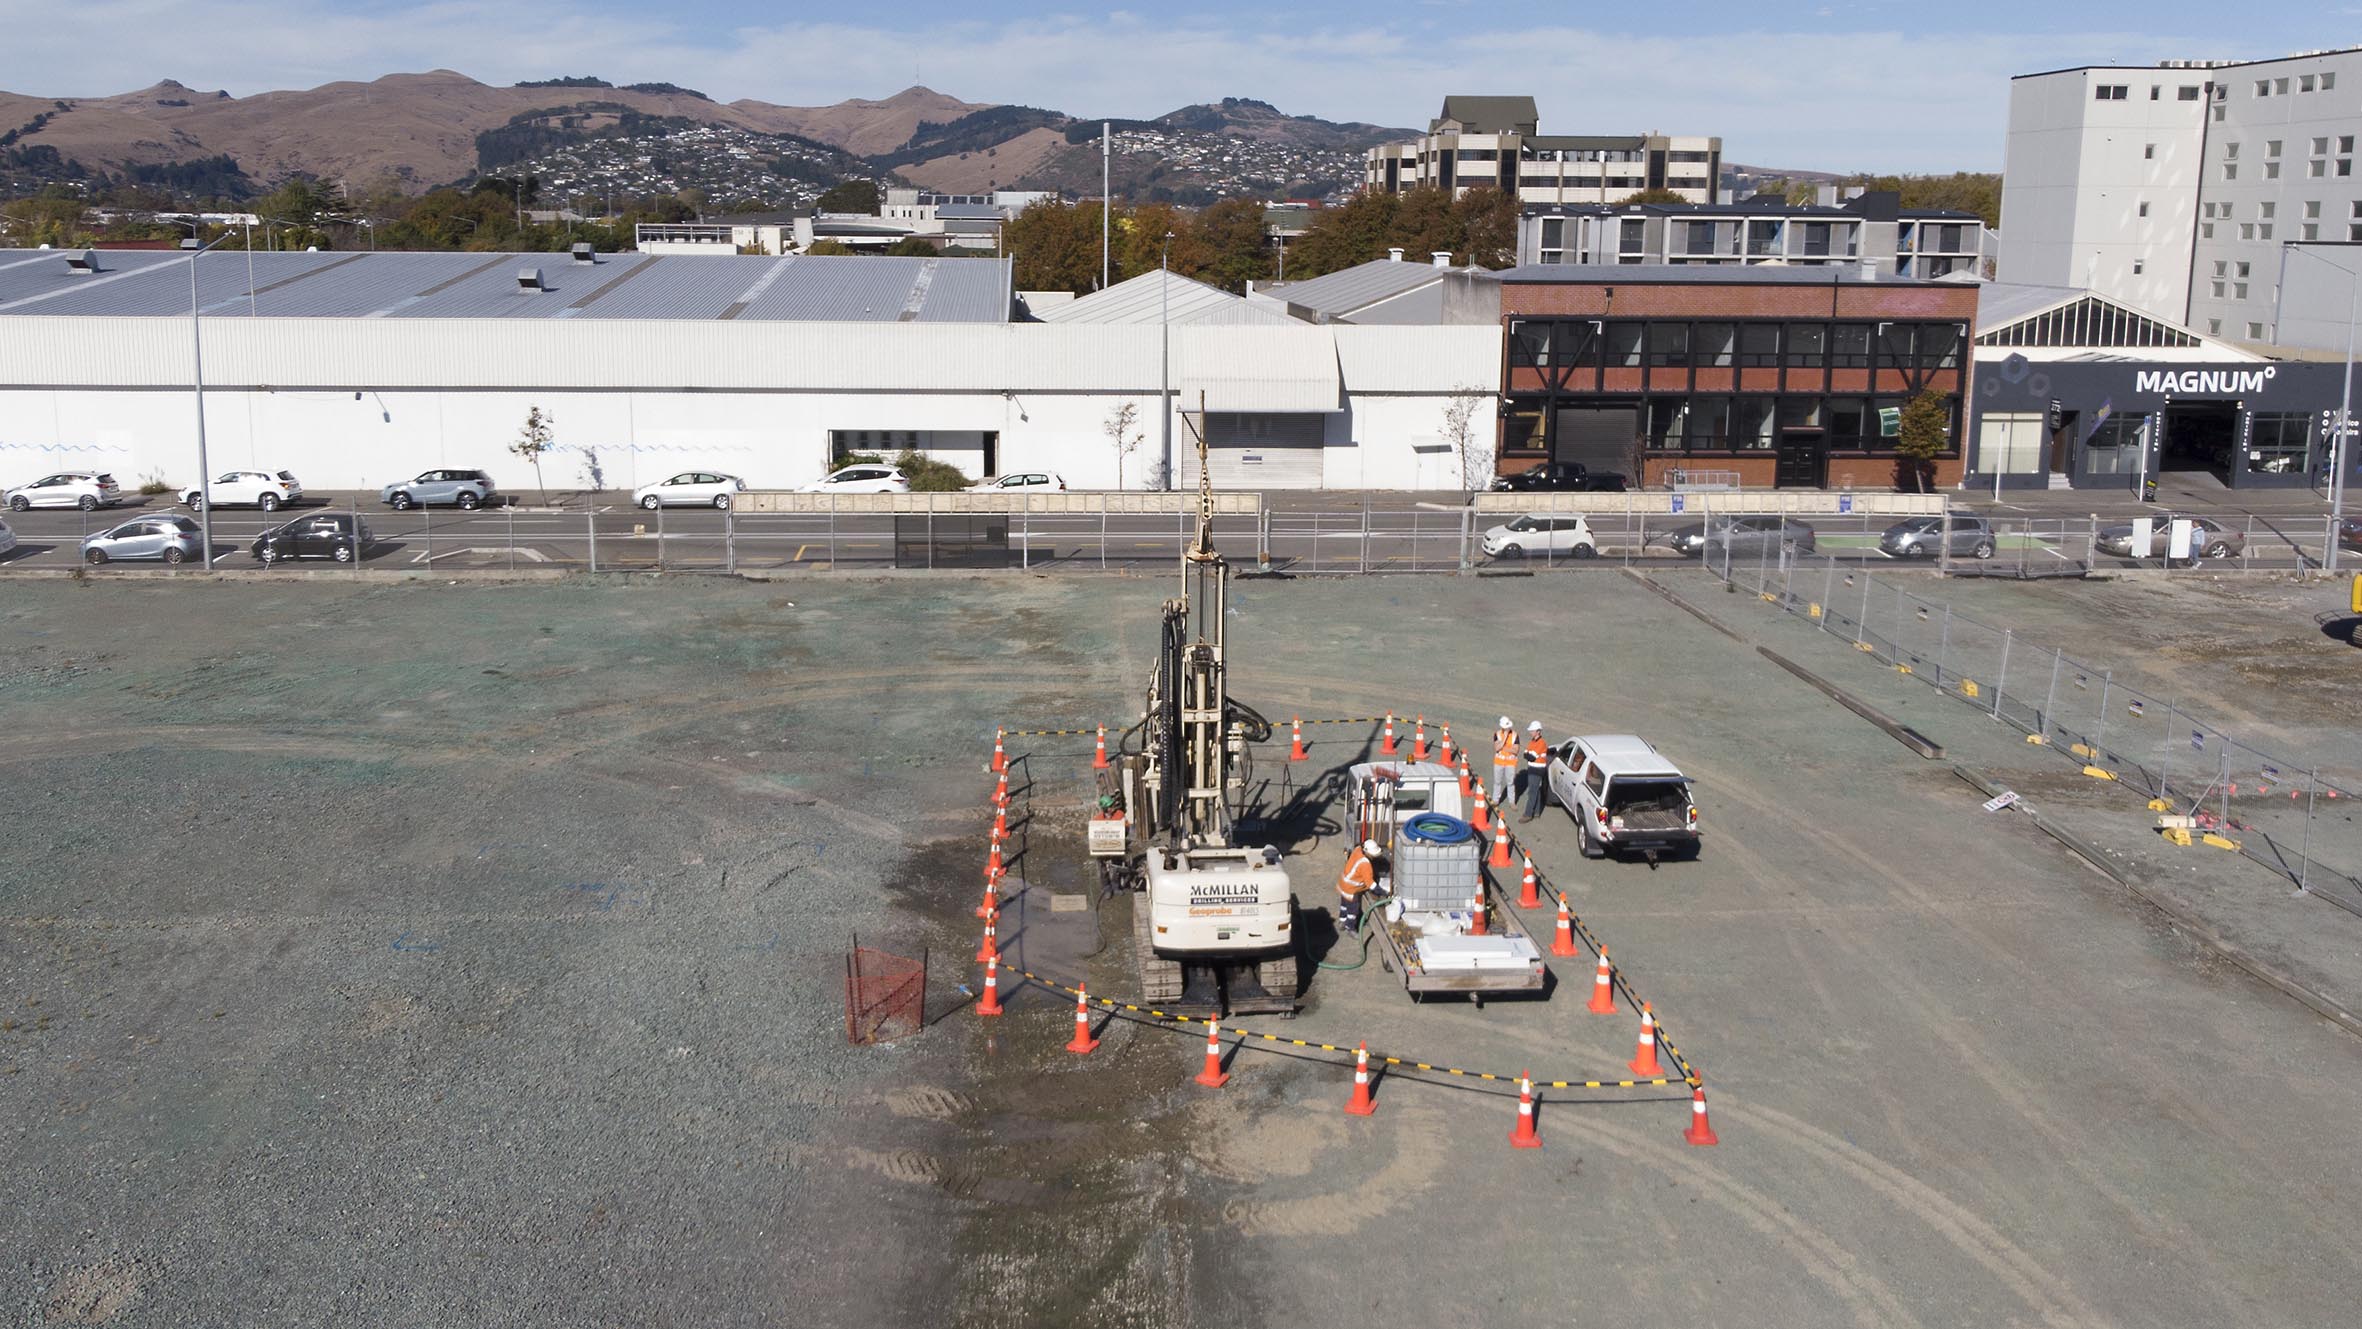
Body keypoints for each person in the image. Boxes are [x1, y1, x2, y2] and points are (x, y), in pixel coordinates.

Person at [1337, 838, 1379, 935]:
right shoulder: (1365, 864)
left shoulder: (1358, 850)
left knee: (1344, 905)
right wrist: (1382, 891)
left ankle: (1342, 921)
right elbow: (1370, 884)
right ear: (1368, 853)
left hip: (1343, 883)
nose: (1373, 857)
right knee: (1353, 910)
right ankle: (1350, 927)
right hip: (1352, 890)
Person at [1519, 720, 1551, 822]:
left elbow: (1531, 756)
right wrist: (1528, 754)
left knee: (1532, 791)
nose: (1531, 732)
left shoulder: (1541, 743)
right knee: (1535, 790)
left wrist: (1528, 754)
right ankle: (1537, 812)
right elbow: (1525, 753)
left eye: (1532, 731)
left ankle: (1528, 814)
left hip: (1537, 770)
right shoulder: (1533, 741)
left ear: (1538, 731)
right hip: (1533, 769)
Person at [1490, 715, 1518, 807]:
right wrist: (1504, 739)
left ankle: (1512, 802)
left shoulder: (1515, 735)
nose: (1508, 729)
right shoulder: (1497, 734)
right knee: (1497, 782)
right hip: (1499, 762)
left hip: (1510, 763)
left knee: (1510, 782)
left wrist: (1503, 747)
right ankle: (1495, 800)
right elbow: (1497, 748)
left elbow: (1516, 750)